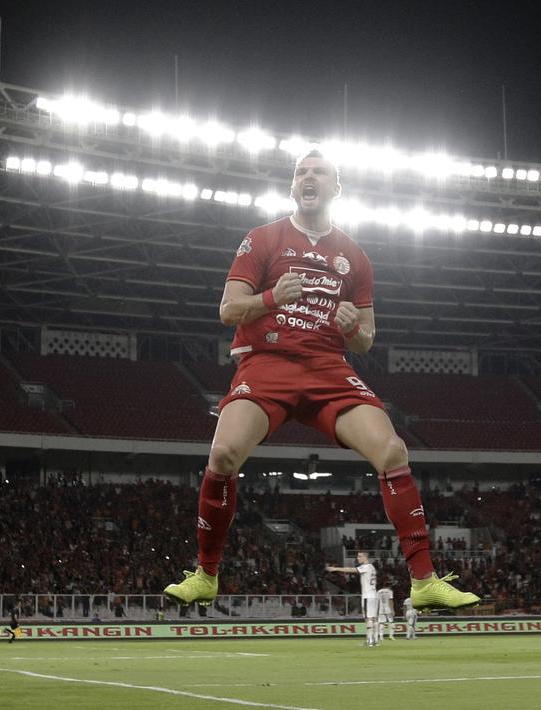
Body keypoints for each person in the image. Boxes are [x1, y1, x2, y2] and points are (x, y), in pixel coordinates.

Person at [163, 149, 477, 613]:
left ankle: (425, 581)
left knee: (392, 451)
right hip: (268, 364)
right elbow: (228, 309)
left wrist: (353, 329)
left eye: (318, 172)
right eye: (301, 172)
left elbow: (366, 339)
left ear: (336, 187)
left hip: (329, 368)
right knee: (224, 454)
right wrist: (271, 297)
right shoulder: (263, 238)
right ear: (293, 187)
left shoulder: (355, 257)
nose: (308, 177)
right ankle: (206, 574)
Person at [326, 551, 380, 647]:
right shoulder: (372, 567)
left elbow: (351, 570)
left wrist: (335, 568)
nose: (357, 558)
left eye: (359, 556)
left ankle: (370, 641)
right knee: (374, 618)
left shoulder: (365, 567)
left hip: (367, 595)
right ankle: (375, 640)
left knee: (368, 618)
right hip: (374, 595)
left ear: (365, 557)